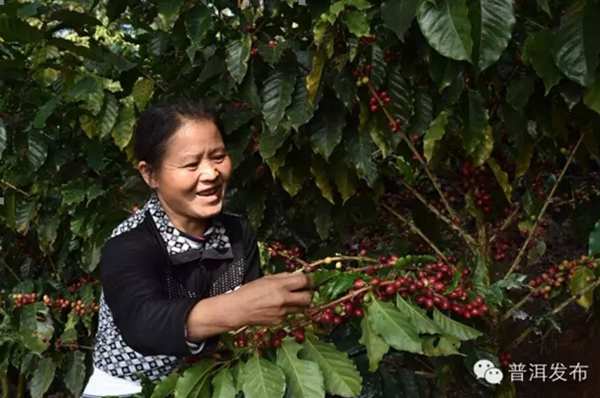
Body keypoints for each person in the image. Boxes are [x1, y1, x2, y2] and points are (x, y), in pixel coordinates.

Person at [82, 101, 313, 397]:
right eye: (191, 164)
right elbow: (142, 321)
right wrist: (239, 307)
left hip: (212, 382)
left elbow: (249, 332)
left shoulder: (237, 232)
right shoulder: (128, 243)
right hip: (128, 388)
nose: (211, 174)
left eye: (218, 157)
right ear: (150, 174)